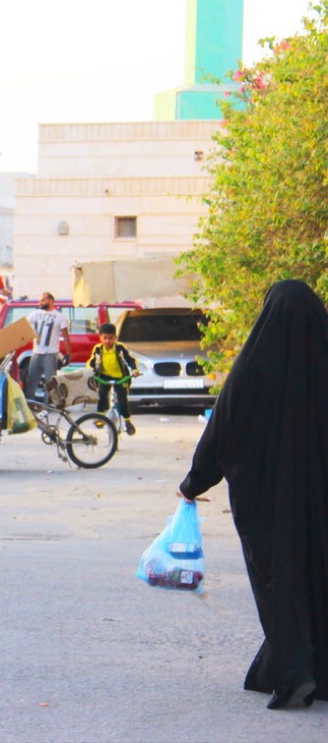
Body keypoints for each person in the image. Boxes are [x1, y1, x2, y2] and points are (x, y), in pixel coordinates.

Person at [179, 280, 328, 710]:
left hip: (267, 499)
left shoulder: (254, 367)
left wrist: (194, 482)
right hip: (319, 498)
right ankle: (312, 669)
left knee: (279, 579)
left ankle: (294, 670)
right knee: (318, 576)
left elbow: (223, 425)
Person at [85, 322, 138, 435]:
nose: (108, 341)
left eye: (110, 338)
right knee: (102, 397)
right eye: (105, 338)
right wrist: (89, 371)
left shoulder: (120, 348)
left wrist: (134, 370)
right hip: (104, 377)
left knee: (123, 401)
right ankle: (100, 417)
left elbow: (130, 360)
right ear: (100, 338)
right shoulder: (98, 349)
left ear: (115, 338)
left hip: (120, 378)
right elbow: (92, 362)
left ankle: (127, 421)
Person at [24, 292, 70, 402]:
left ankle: (49, 404)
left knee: (50, 382)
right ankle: (29, 403)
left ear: (51, 300)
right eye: (40, 300)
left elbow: (65, 336)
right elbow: (23, 325)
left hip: (51, 353)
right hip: (36, 352)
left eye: (43, 300)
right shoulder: (35, 314)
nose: (40, 303)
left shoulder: (59, 316)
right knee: (31, 380)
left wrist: (68, 353)